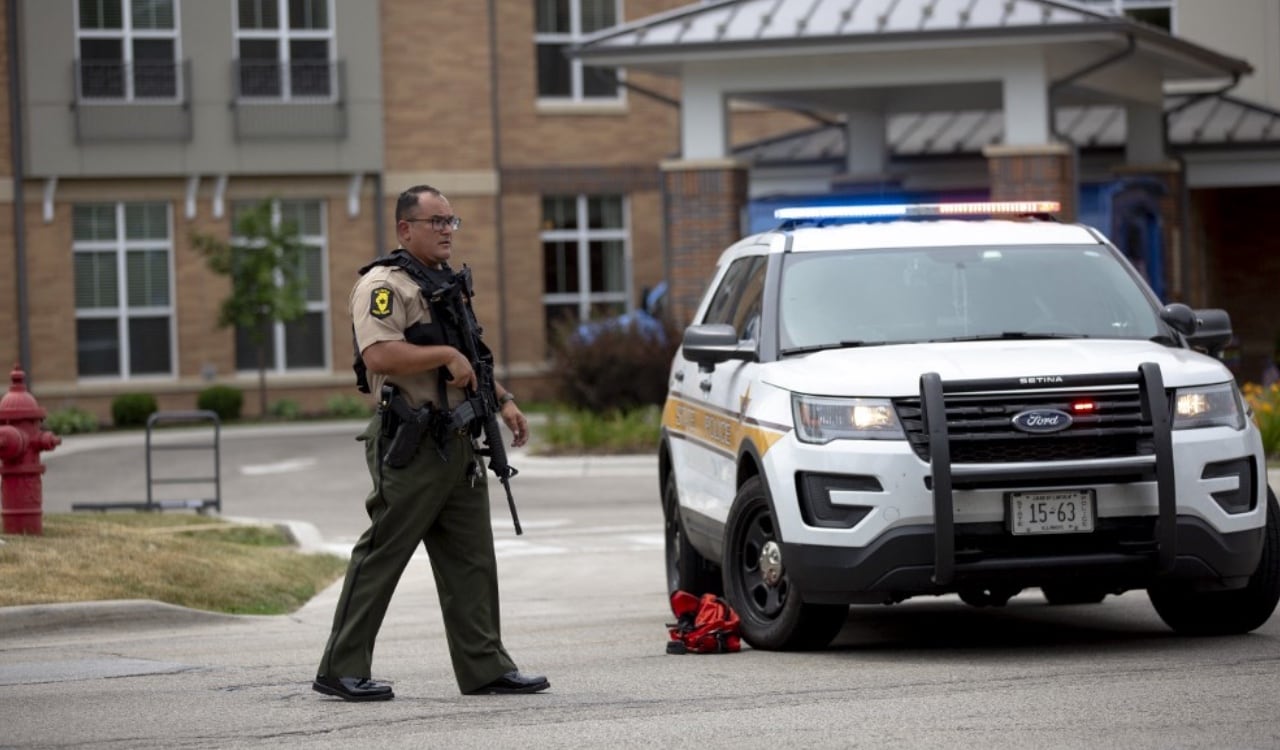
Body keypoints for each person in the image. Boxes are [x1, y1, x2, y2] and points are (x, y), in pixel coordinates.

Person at [313, 185, 547, 700]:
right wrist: (442, 356)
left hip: (460, 437)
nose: (446, 230)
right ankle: (340, 666)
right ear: (405, 229)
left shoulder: (444, 283)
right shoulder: (383, 285)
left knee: (471, 560)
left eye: (451, 221)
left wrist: (503, 400)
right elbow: (379, 354)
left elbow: (471, 355)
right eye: (435, 221)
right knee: (382, 555)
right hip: (412, 441)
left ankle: (485, 666)